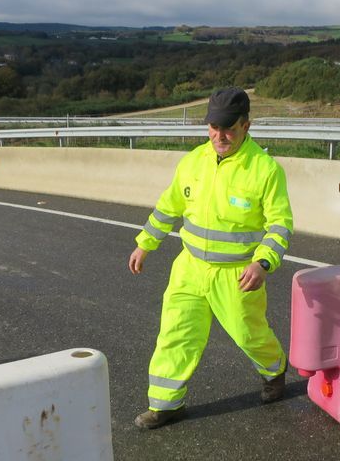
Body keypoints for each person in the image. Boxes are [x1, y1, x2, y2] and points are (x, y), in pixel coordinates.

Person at [128, 87, 293, 429]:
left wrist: (262, 262)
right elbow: (168, 207)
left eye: (229, 128)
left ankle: (274, 369)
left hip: (235, 274)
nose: (221, 136)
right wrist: (145, 243)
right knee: (176, 334)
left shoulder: (264, 169)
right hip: (189, 268)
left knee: (248, 334)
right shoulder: (192, 162)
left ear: (247, 125)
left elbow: (280, 224)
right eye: (214, 128)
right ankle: (165, 404)